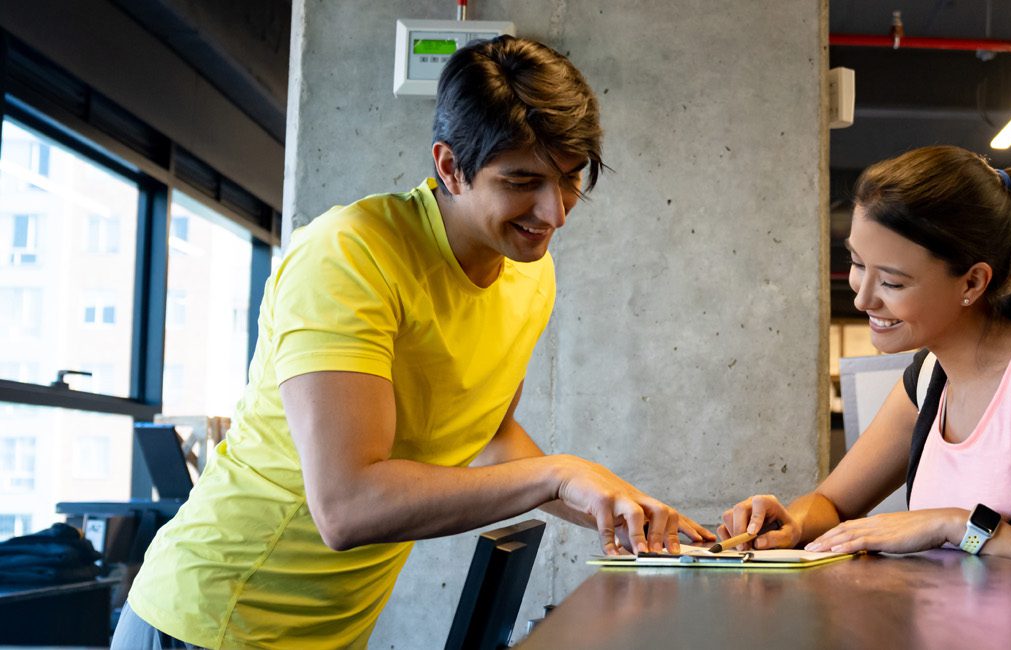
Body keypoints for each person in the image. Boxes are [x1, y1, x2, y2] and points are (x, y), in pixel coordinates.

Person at [117, 36, 711, 649]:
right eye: (522, 181)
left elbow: (488, 437)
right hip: (213, 619)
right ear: (450, 167)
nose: (553, 212)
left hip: (333, 630)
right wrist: (557, 475)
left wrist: (618, 505)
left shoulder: (528, 271)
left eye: (569, 180)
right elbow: (347, 507)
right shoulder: (350, 256)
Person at [716, 145, 1011, 600]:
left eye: (893, 282)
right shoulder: (930, 374)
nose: (862, 299)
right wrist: (792, 523)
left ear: (972, 282)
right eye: (857, 263)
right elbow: (831, 503)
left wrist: (959, 525)